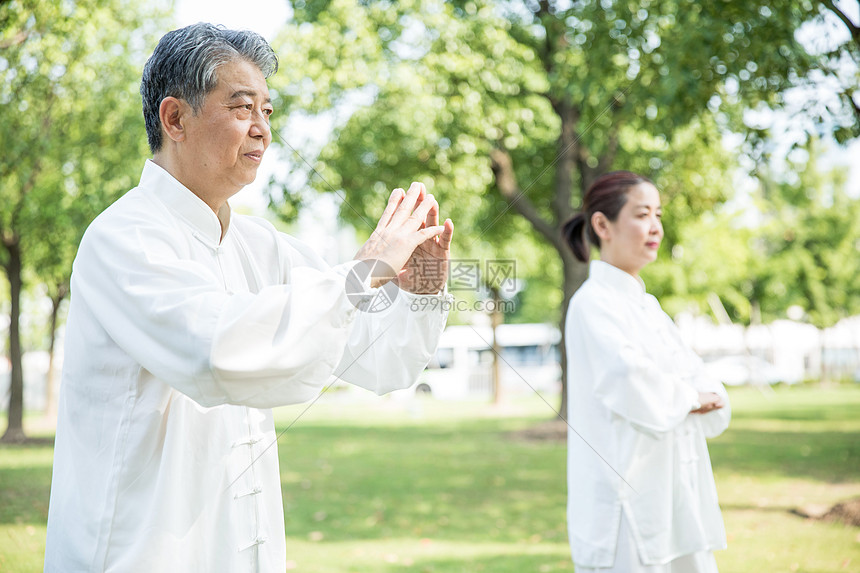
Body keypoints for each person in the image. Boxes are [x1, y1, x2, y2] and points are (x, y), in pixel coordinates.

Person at [44, 23, 454, 572]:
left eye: (268, 111)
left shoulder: (259, 245)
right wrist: (367, 269)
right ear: (175, 119)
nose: (262, 130)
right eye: (242, 107)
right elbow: (217, 351)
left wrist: (421, 288)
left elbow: (380, 358)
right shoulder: (123, 238)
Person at [562, 171, 730, 573]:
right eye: (642, 214)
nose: (654, 227)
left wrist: (696, 394)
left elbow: (699, 374)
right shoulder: (592, 304)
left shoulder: (647, 306)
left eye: (658, 214)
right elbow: (628, 377)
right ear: (602, 225)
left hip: (674, 490)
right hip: (624, 498)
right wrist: (689, 398)